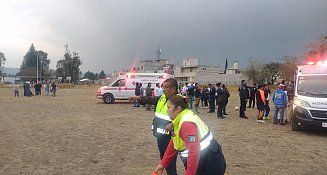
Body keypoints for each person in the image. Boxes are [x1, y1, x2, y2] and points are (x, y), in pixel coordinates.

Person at [153, 95, 226, 175]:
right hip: (202, 162)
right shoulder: (180, 119)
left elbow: (194, 151)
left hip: (208, 165)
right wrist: (163, 164)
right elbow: (175, 141)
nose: (167, 111)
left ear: (177, 109)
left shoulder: (186, 123)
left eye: (169, 108)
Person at [152, 78, 179, 175]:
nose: (163, 89)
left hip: (170, 138)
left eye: (166, 87)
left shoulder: (178, 100)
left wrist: (173, 124)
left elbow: (184, 117)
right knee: (164, 161)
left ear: (173, 89)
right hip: (161, 136)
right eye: (163, 87)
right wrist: (139, 98)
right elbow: (153, 100)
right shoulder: (163, 97)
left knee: (170, 165)